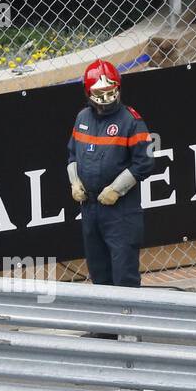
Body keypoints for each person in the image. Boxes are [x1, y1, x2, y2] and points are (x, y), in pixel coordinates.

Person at [67, 59, 156, 288]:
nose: (105, 98)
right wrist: (74, 183)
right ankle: (105, 322)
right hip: (90, 207)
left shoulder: (132, 121)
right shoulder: (81, 119)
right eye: (100, 92)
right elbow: (72, 156)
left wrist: (117, 189)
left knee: (124, 273)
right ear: (88, 92)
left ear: (118, 88)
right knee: (98, 272)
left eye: (110, 91)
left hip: (121, 212)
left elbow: (145, 162)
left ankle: (128, 320)